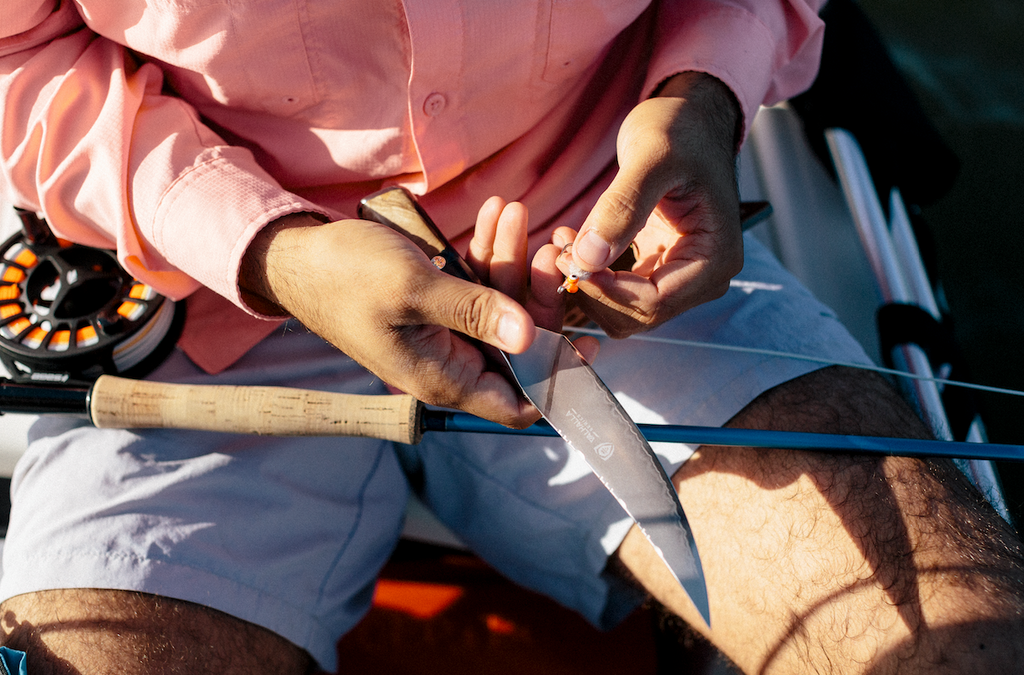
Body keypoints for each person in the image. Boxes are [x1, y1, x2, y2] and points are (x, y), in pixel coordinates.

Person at [1, 1, 1022, 673]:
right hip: (198, 295)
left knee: (966, 645)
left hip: (610, 253)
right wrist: (273, 251)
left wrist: (699, 100)